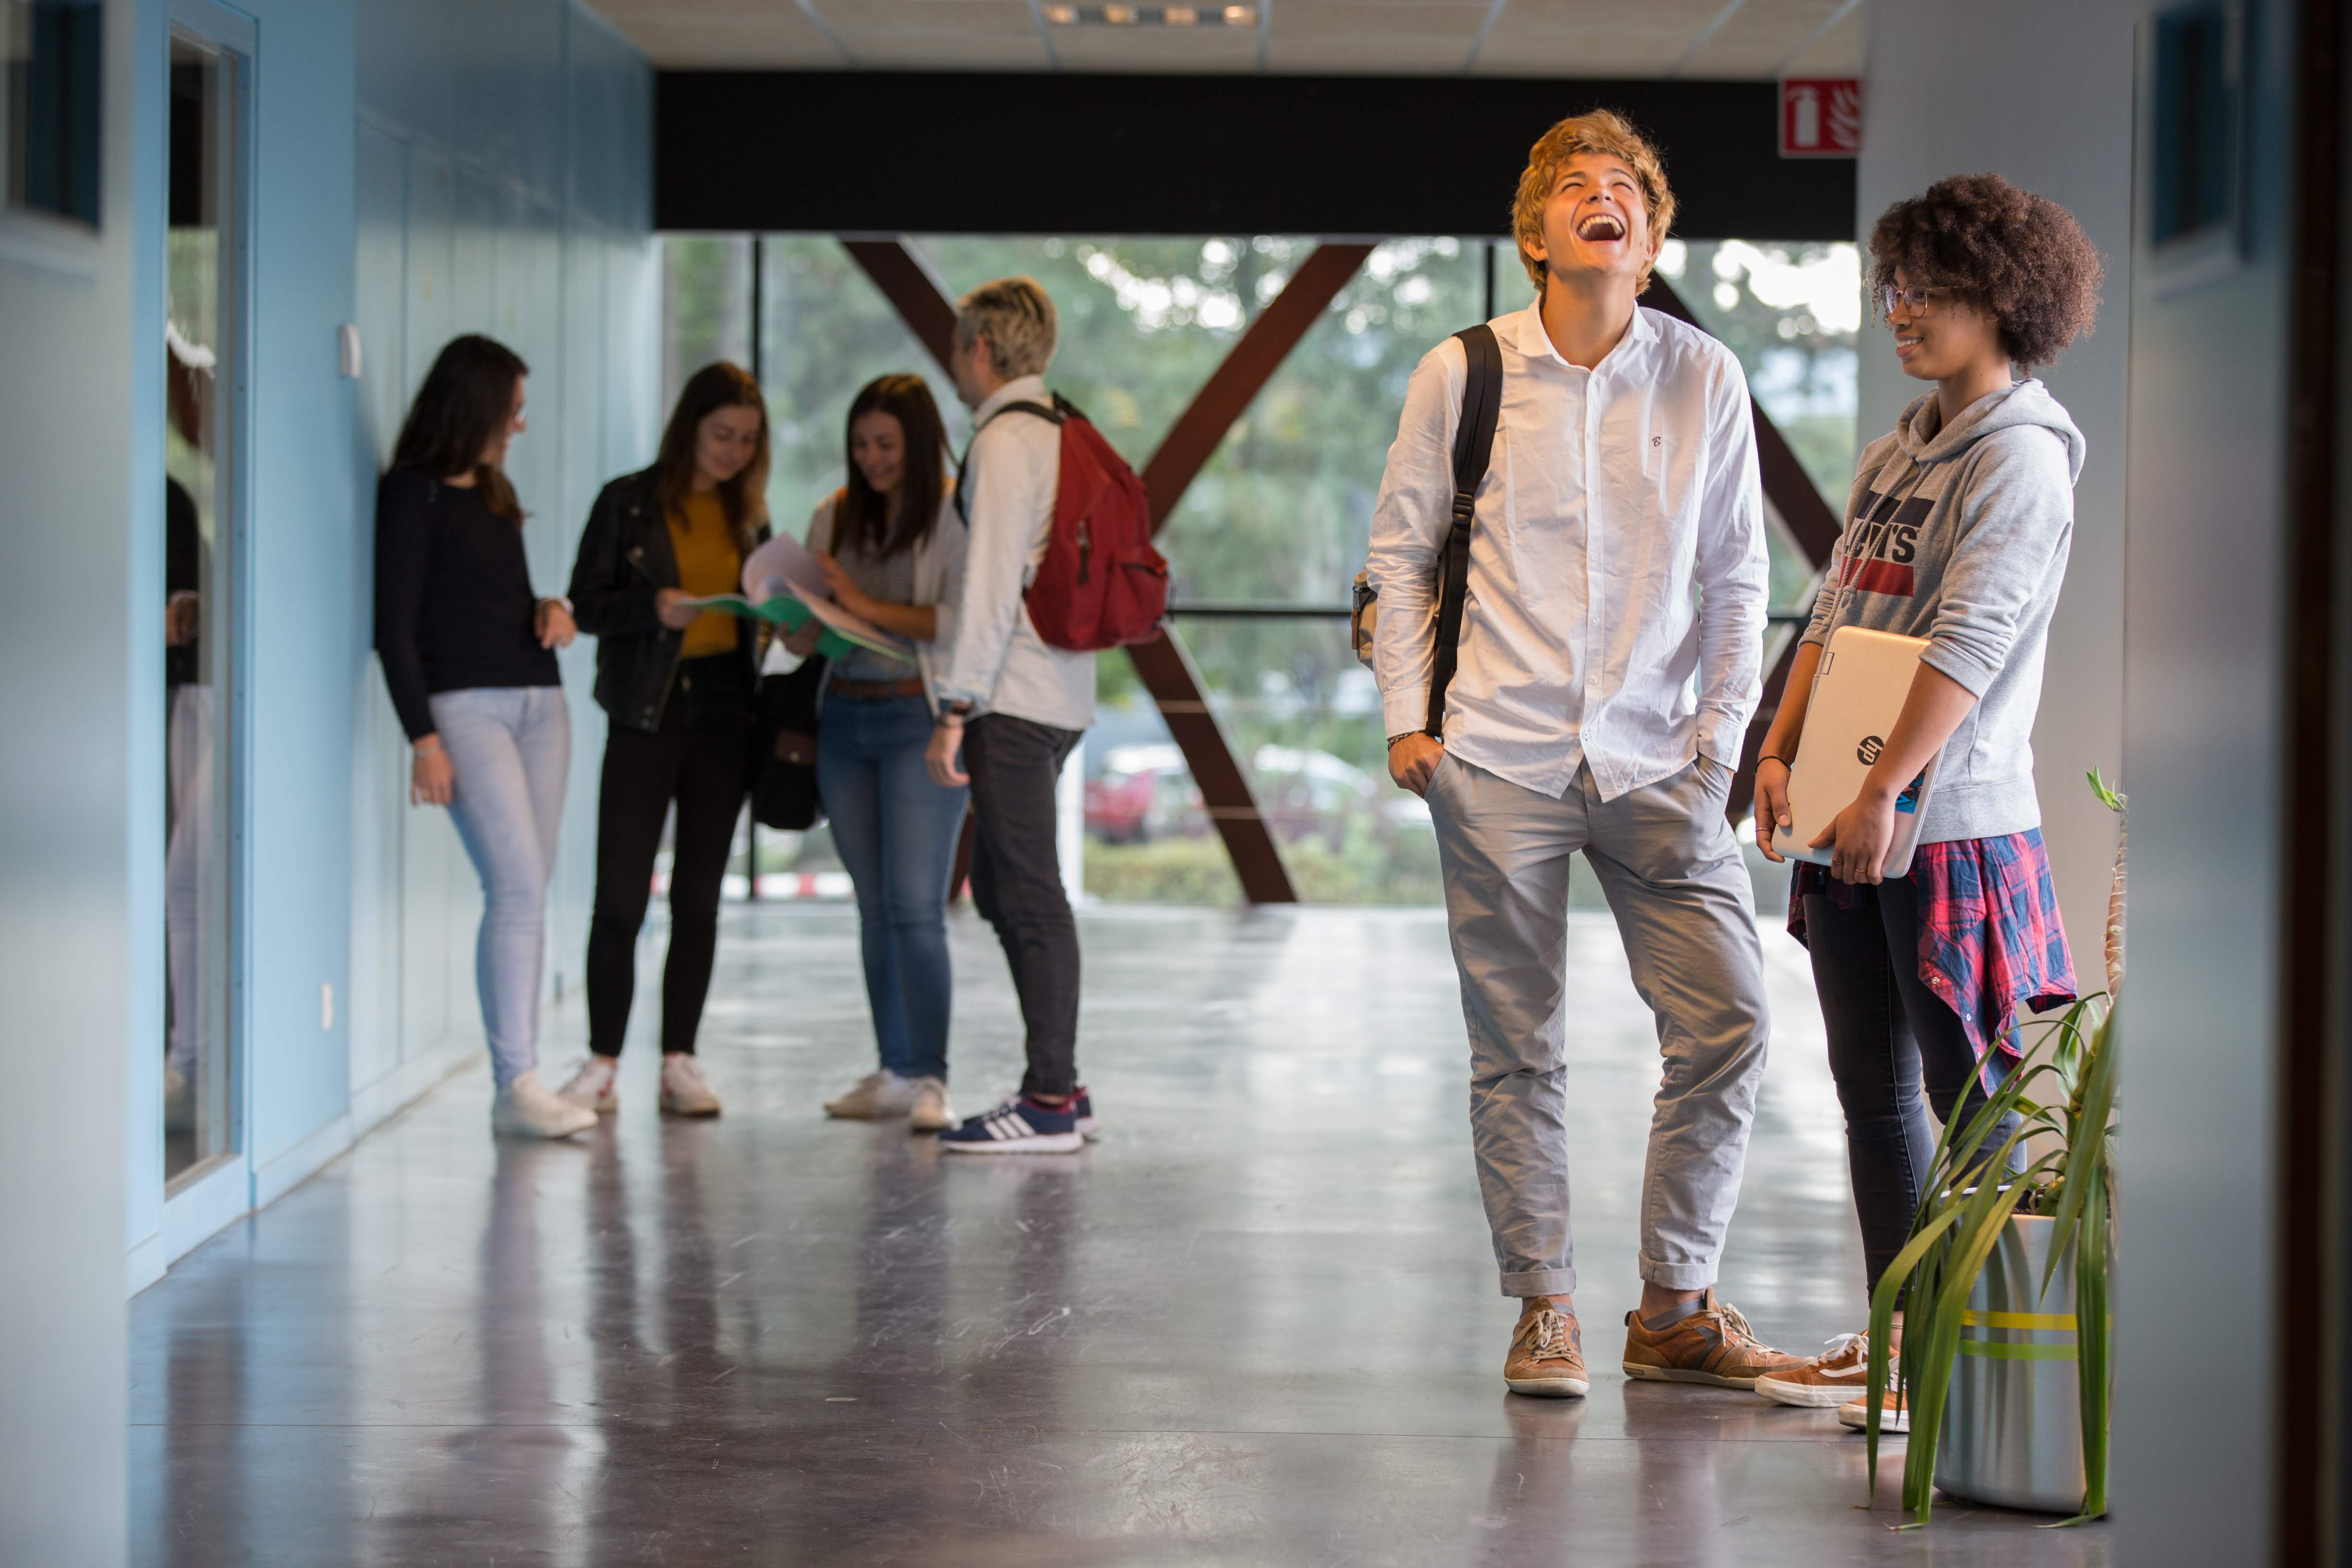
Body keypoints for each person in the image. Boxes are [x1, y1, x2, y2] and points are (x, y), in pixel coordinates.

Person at [1365, 110, 1803, 1398]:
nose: (1602, 199)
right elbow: (1402, 552)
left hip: (1664, 757)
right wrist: (1410, 719)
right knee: (1517, 1045)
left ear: (1653, 235)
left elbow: (1738, 576)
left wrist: (1720, 739)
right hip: (1497, 754)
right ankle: (1543, 1307)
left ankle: (1673, 1306)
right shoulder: (1462, 372)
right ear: (1536, 234)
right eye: (1576, 188)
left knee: (1725, 1015)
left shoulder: (1703, 376)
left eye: (1628, 189)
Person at [1749, 173, 2098, 1432]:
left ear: (2003, 300)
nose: (1902, 307)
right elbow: (1837, 611)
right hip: (1849, 816)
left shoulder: (2021, 459)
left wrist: (1890, 788)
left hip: (1945, 828)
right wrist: (1781, 750)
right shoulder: (1900, 448)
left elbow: (1975, 637)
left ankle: (1974, 1361)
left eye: (1933, 289)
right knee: (1871, 1093)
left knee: (1963, 1104)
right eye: (1896, 284)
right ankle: (1906, 1345)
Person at [374, 334, 589, 1139]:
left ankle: (521, 1078)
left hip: (542, 702)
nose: (520, 426)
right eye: (513, 410)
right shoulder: (411, 495)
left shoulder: (494, 492)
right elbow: (394, 629)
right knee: (517, 888)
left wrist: (550, 608)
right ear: (475, 406)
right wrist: (422, 739)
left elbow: (500, 597)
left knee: (529, 889)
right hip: (465, 710)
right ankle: (517, 1083)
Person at [560, 363, 771, 1120]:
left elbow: (764, 611)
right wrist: (654, 606)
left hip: (726, 717)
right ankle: (602, 1060)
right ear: (690, 427)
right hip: (645, 714)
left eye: (748, 439)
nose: (734, 452)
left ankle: (679, 1059)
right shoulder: (628, 503)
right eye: (722, 435)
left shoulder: (751, 517)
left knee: (699, 898)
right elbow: (585, 604)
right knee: (619, 896)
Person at [922, 277, 1100, 1155]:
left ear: (980, 350)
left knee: (1028, 894)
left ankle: (1049, 1100)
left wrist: (954, 708)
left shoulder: (1001, 441)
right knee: (1001, 884)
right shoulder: (1063, 427)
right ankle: (1063, 1081)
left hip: (1011, 699)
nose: (955, 363)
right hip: (1060, 690)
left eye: (958, 348)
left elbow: (990, 583)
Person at [806, 375, 972, 1132]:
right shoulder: (832, 516)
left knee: (915, 906)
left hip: (916, 717)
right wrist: (795, 623)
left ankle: (930, 1075)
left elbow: (953, 621)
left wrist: (861, 605)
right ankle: (893, 1066)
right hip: (843, 718)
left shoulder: (948, 511)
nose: (870, 459)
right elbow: (815, 624)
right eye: (859, 445)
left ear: (916, 441)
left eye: (885, 444)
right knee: (873, 908)